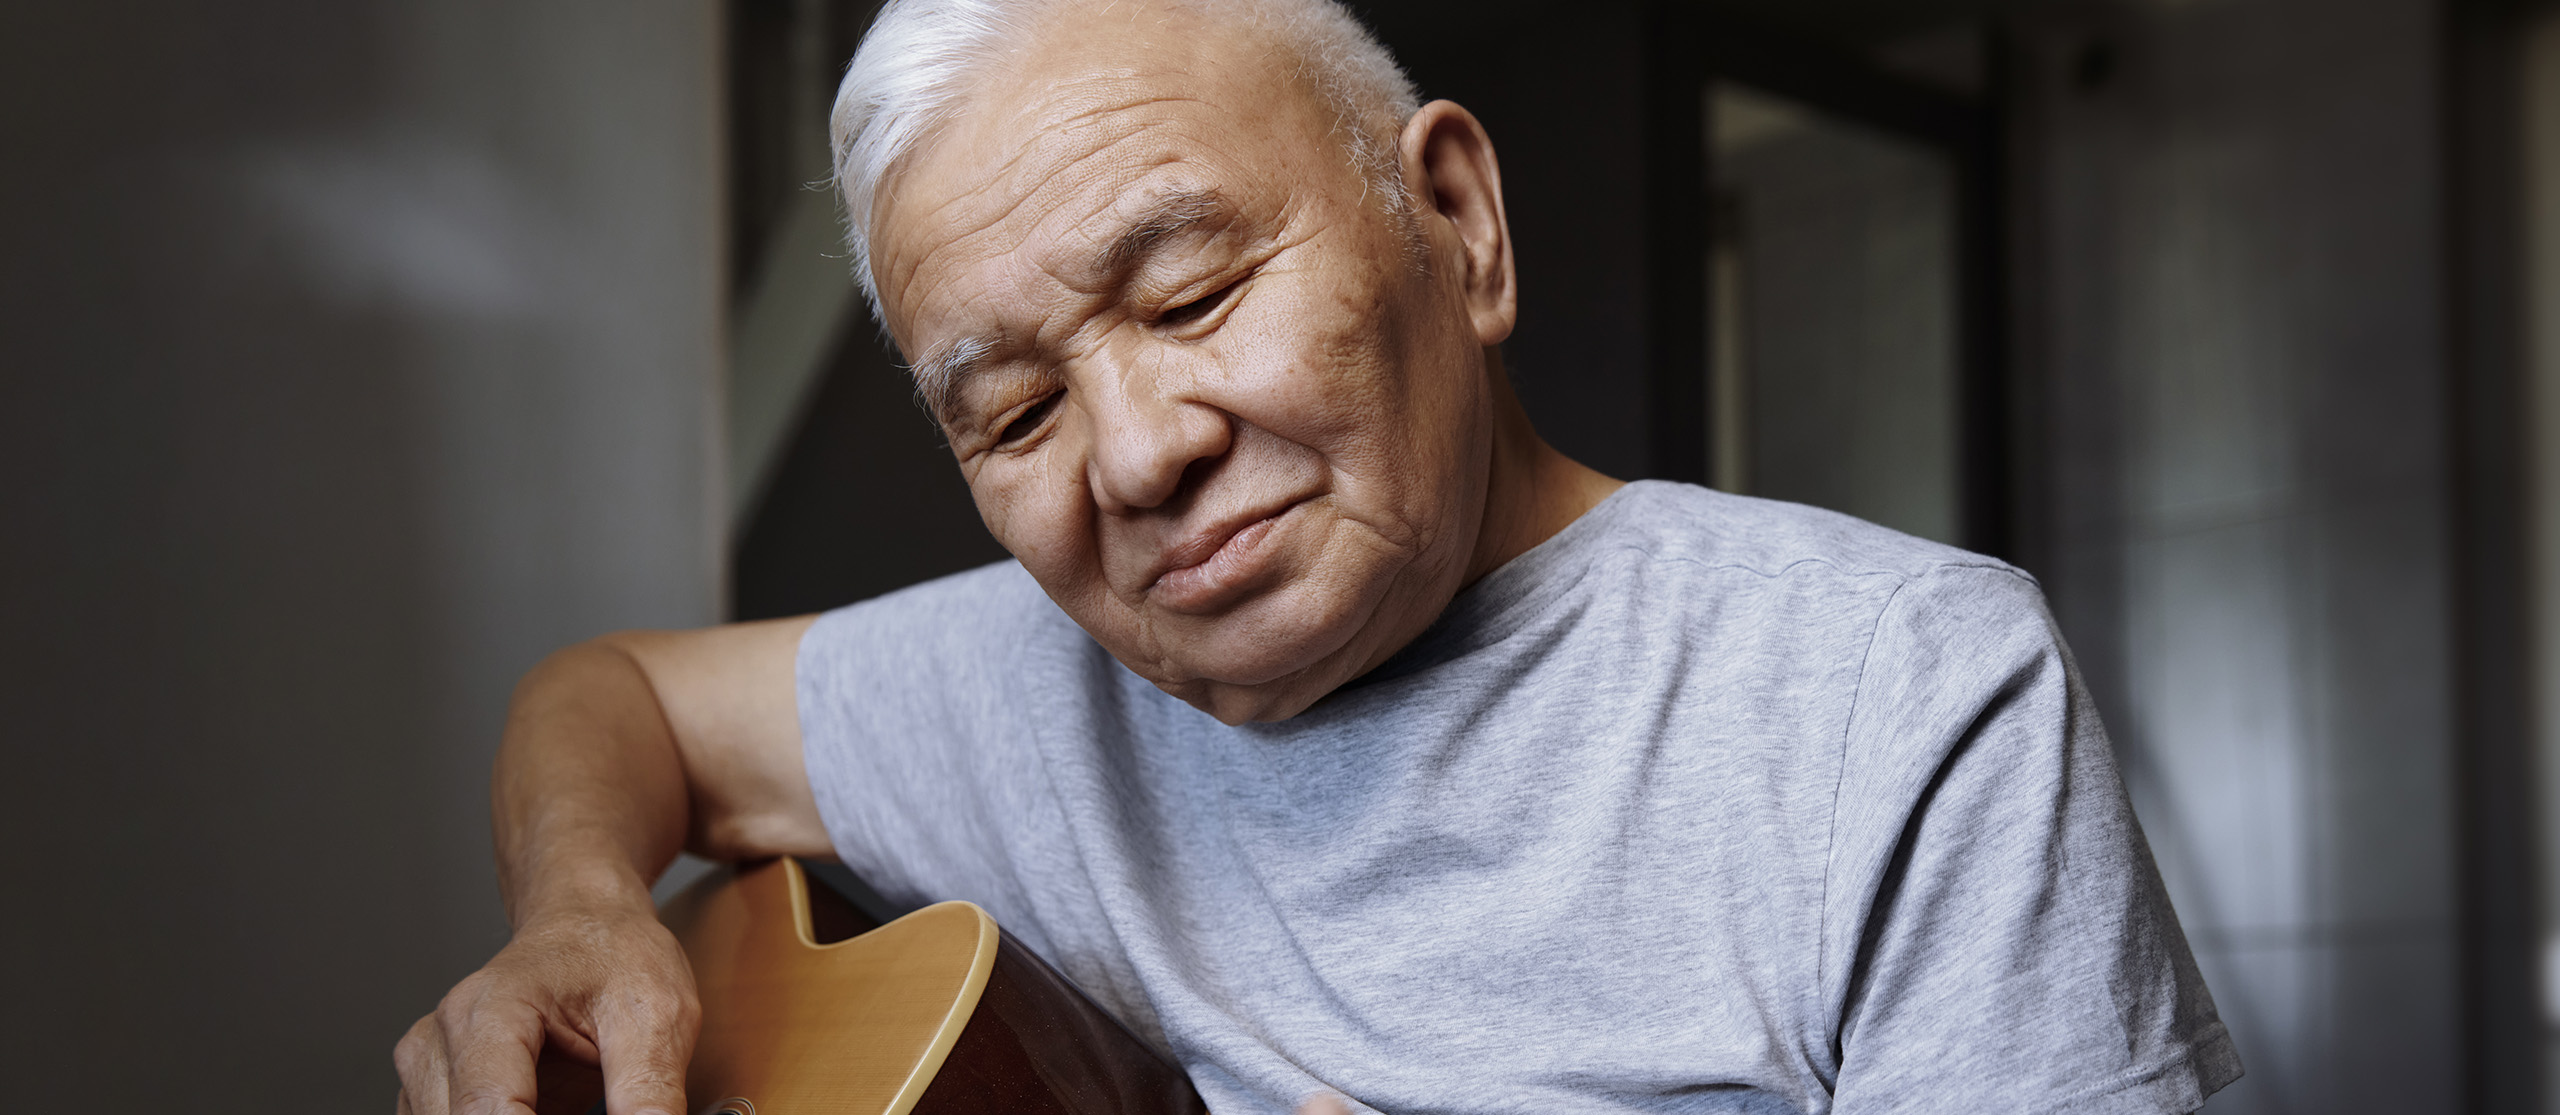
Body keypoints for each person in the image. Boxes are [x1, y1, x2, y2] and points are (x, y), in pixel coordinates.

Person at [393, 0, 2242, 1111]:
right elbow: (617, 693)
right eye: (1016, 415)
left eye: (1193, 293)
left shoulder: (1899, 701)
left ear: (1458, 222)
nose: (1137, 454)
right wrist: (581, 909)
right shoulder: (1022, 688)